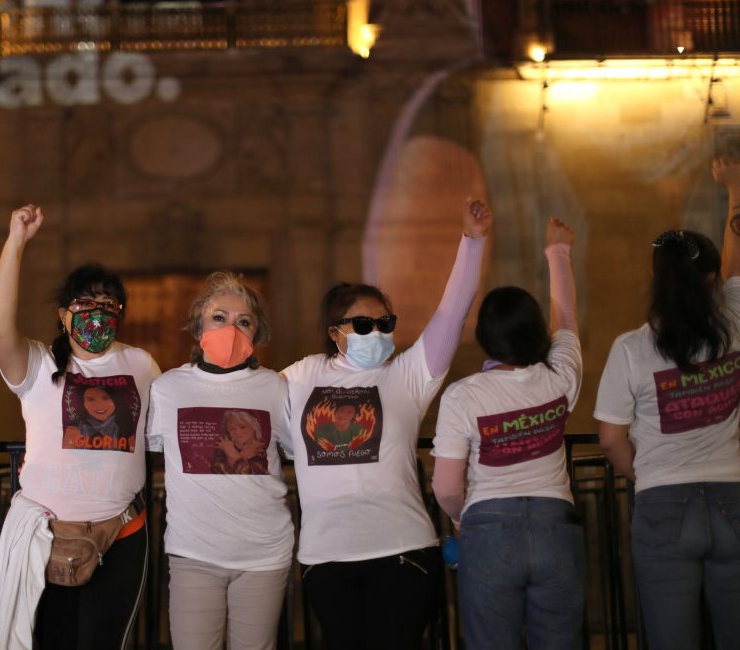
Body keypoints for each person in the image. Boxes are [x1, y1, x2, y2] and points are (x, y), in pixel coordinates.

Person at [281, 198, 491, 650]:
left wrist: (472, 242)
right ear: (334, 330)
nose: (377, 332)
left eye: (385, 323)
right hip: (326, 556)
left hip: (402, 551)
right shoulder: (300, 376)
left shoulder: (407, 375)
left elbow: (452, 314)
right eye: (362, 324)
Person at [0, 204, 160, 650]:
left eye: (108, 304)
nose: (97, 312)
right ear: (64, 314)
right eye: (86, 303)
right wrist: (16, 241)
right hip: (46, 536)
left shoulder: (141, 364)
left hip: (119, 534)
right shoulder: (39, 364)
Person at [596, 158, 740, 650]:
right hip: (733, 496)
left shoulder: (630, 348)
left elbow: (611, 438)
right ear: (713, 280)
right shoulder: (734, 325)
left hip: (662, 502)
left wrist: (646, 474)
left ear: (656, 278)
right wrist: (735, 190)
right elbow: (736, 255)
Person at [431, 217, 584, 649]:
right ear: (535, 330)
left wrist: (462, 518)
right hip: (557, 527)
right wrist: (558, 251)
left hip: (489, 531)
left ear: (483, 338)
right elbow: (567, 318)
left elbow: (445, 485)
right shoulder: (561, 377)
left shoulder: (463, 397)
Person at [147, 271, 293, 650]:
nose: (231, 328)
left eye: (243, 321)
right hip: (193, 553)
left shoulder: (276, 388)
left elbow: (295, 452)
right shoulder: (167, 389)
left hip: (264, 554)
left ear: (256, 334)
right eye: (219, 317)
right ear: (199, 329)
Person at [64, 384, 136, 452]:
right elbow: (67, 457)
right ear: (84, 404)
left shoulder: (126, 425)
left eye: (106, 398)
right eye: (90, 399)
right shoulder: (74, 427)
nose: (99, 405)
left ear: (116, 401)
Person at [212, 409, 270, 475]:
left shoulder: (260, 449)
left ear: (254, 427)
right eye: (232, 429)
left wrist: (232, 454)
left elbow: (247, 473)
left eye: (242, 427)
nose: (237, 432)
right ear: (228, 432)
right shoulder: (224, 448)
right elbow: (218, 472)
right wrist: (244, 454)